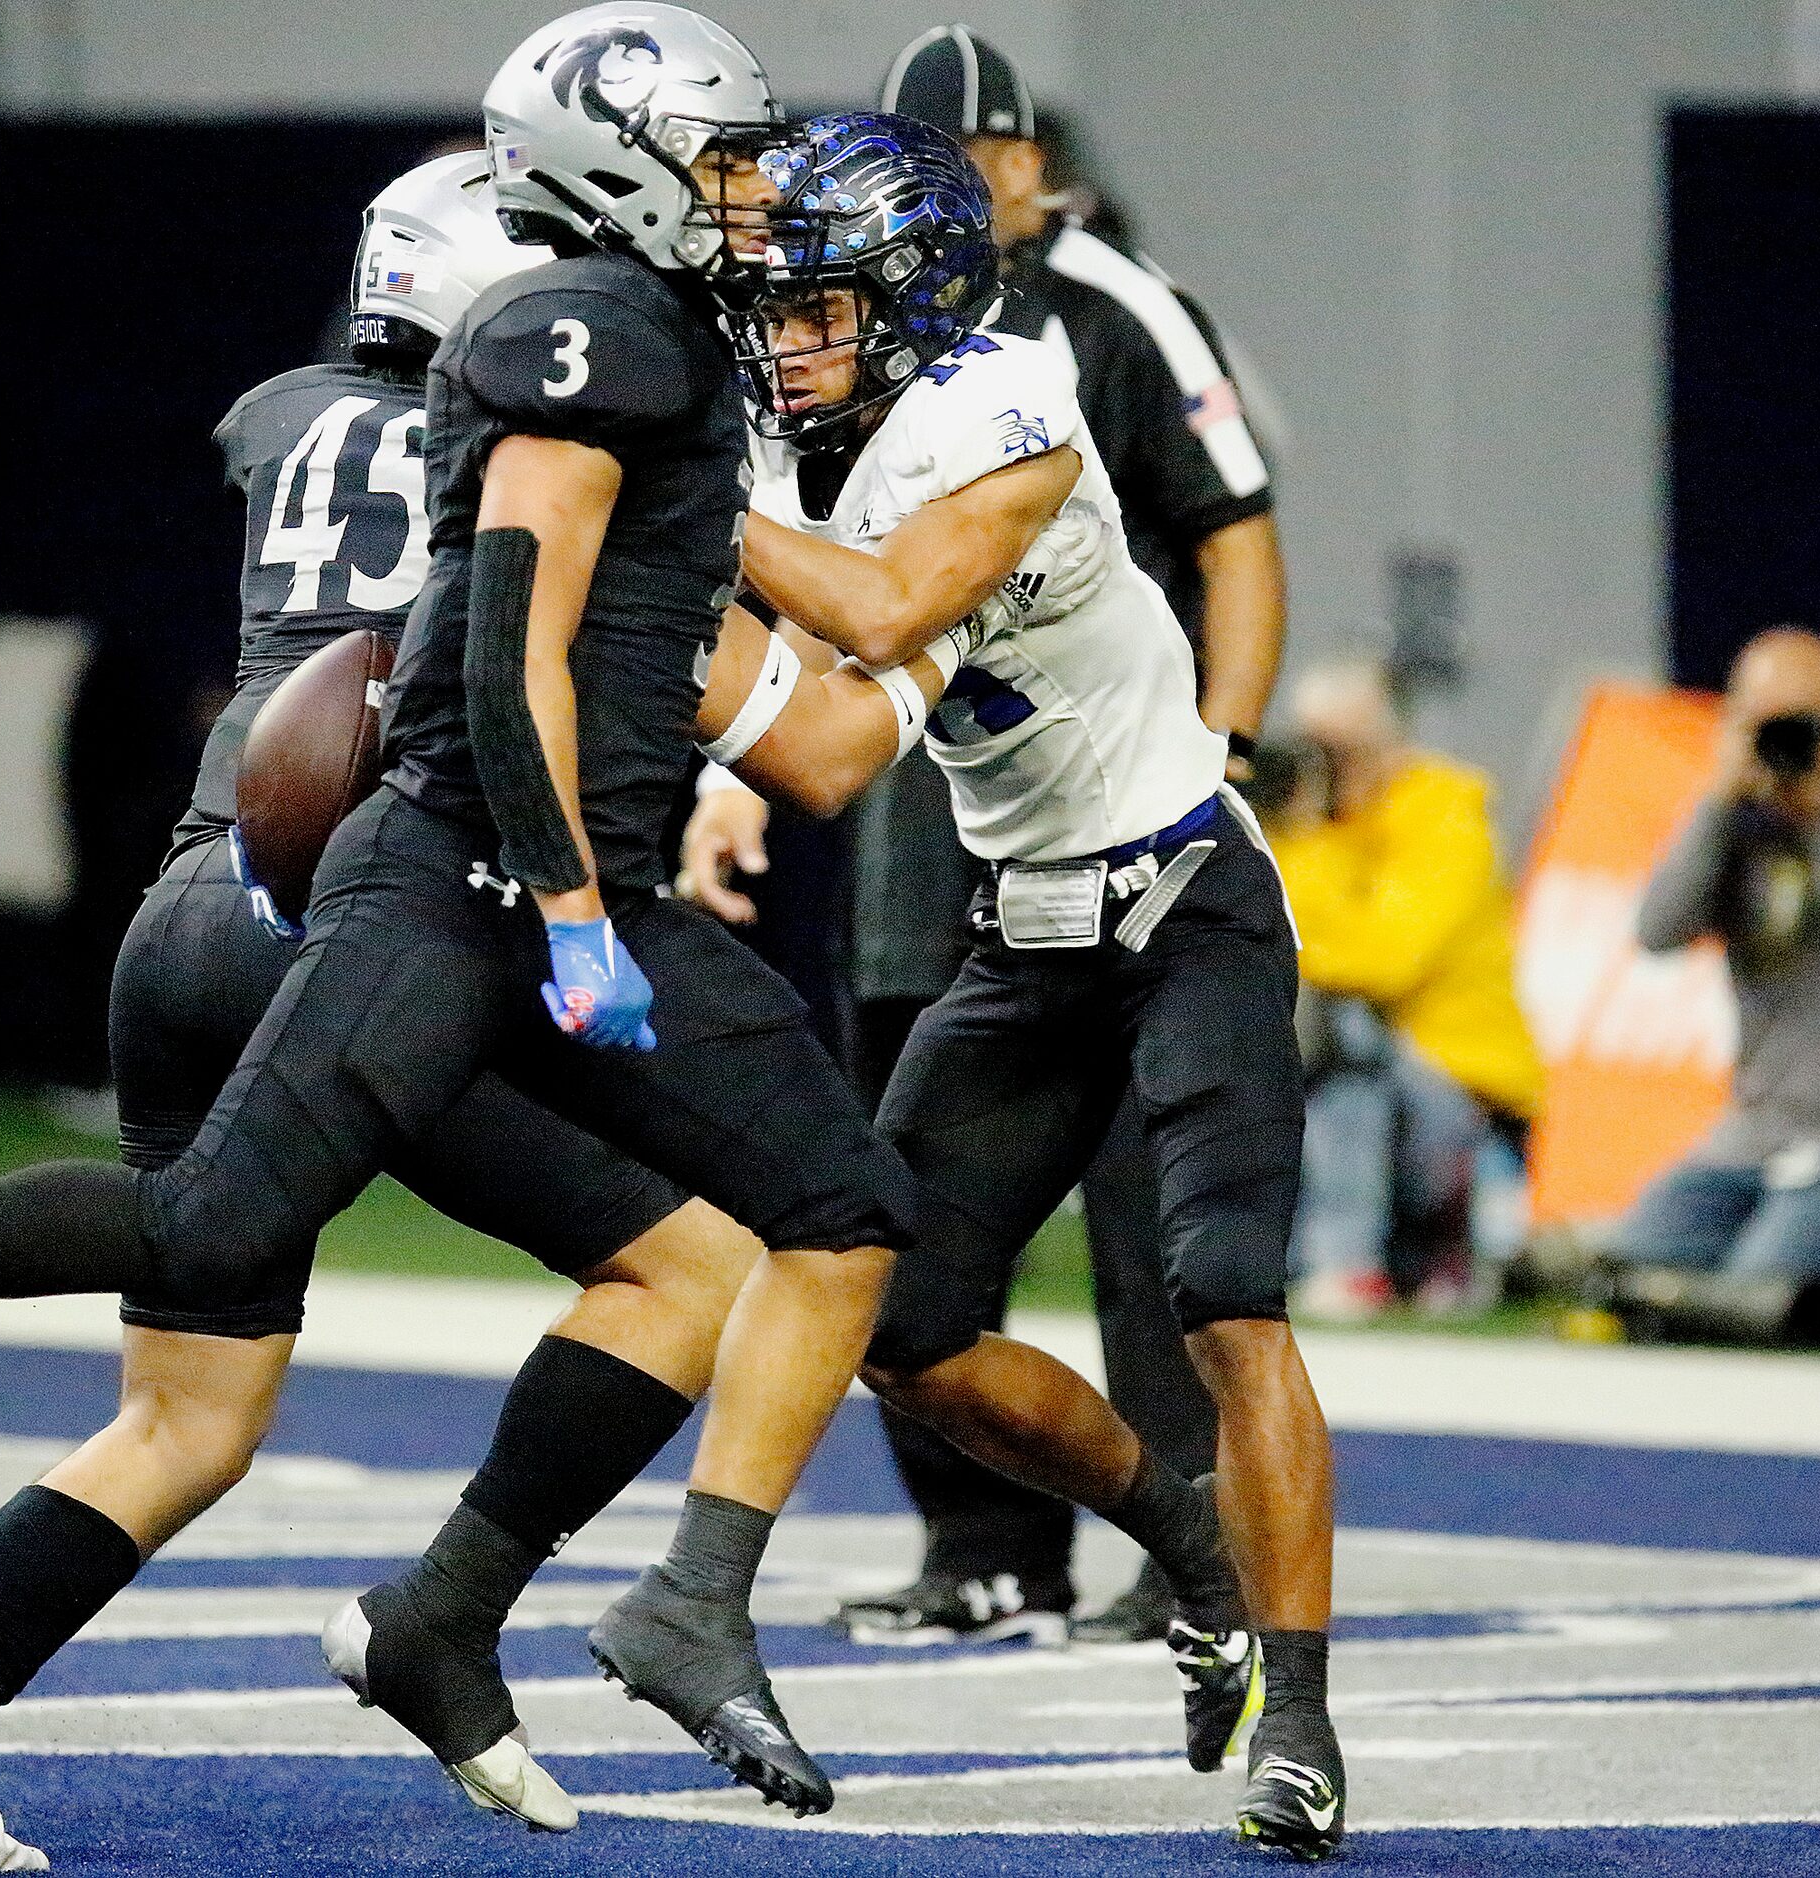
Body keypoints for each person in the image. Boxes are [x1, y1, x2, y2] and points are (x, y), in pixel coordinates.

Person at [0, 12, 971, 1858]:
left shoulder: (293, 422)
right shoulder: (587, 390)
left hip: (206, 890)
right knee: (678, 1261)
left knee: (191, 1397)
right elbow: (621, 675)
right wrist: (903, 644)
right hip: (404, 877)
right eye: (714, 167)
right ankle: (450, 1606)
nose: (743, 213)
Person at [718, 112, 1343, 1857]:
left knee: (1221, 1298)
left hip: (1183, 895)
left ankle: (1294, 1714)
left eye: (817, 302)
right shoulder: (800, 456)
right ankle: (1189, 1545)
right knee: (899, 1323)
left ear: (910, 291)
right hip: (1024, 925)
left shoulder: (1002, 403)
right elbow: (825, 732)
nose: (786, 336)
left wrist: (682, 515)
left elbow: (885, 592)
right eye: (775, 306)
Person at [1605, 627, 1820, 1340]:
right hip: (1757, 1134)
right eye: (1762, 721)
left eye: (1802, 721)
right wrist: (1716, 804)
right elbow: (1655, 930)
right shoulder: (1737, 825)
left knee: (1759, 1291)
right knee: (1635, 1270)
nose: (1783, 741)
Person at [1267, 657, 1544, 1321]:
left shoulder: (1447, 819)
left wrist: (1305, 841)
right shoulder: (1307, 824)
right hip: (1354, 1084)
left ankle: (1349, 1265)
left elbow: (1383, 963)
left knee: (1349, 1040)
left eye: (1340, 750)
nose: (1326, 767)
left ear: (1390, 744)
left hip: (1459, 1089)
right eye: (1314, 748)